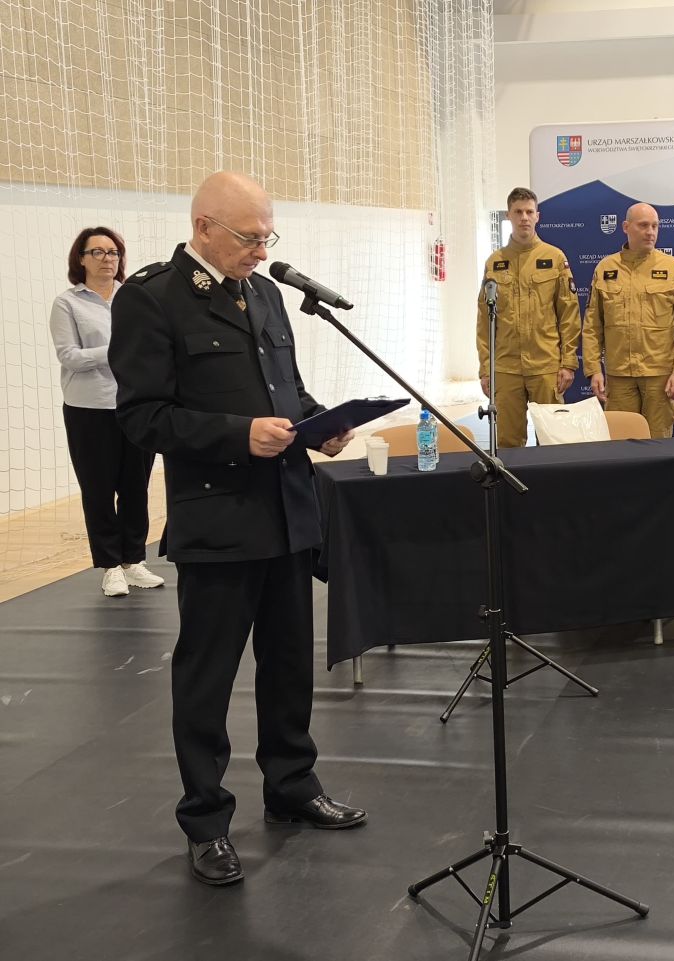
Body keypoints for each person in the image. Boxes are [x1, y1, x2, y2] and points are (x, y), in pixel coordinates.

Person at [109, 172, 365, 887]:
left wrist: (321, 423)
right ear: (204, 227)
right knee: (208, 675)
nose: (262, 249)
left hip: (287, 509)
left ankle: (292, 785)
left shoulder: (266, 293)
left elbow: (283, 389)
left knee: (289, 664)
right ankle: (206, 820)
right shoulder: (152, 298)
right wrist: (236, 435)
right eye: (251, 237)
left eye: (267, 236)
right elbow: (142, 416)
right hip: (219, 515)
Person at [49, 227, 164, 597]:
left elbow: (152, 347)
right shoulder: (67, 303)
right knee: (98, 490)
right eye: (97, 252)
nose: (107, 259)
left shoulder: (135, 298)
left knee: (136, 488)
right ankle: (110, 566)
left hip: (136, 405)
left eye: (113, 252)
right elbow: (70, 357)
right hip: (89, 409)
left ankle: (133, 561)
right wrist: (121, 350)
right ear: (80, 259)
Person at [583, 202, 674, 438]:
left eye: (655, 226)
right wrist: (593, 369)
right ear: (626, 227)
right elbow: (592, 325)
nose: (650, 232)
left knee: (659, 444)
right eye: (643, 225)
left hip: (660, 376)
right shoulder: (606, 269)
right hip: (619, 377)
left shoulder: (673, 268)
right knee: (621, 443)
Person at [477, 187, 581, 447]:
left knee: (552, 439)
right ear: (509, 216)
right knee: (508, 443)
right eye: (518, 212)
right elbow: (484, 321)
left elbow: (569, 314)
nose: (524, 217)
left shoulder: (554, 258)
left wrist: (568, 362)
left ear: (537, 216)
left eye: (529, 212)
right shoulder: (495, 262)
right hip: (506, 368)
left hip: (545, 365)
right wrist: (486, 369)